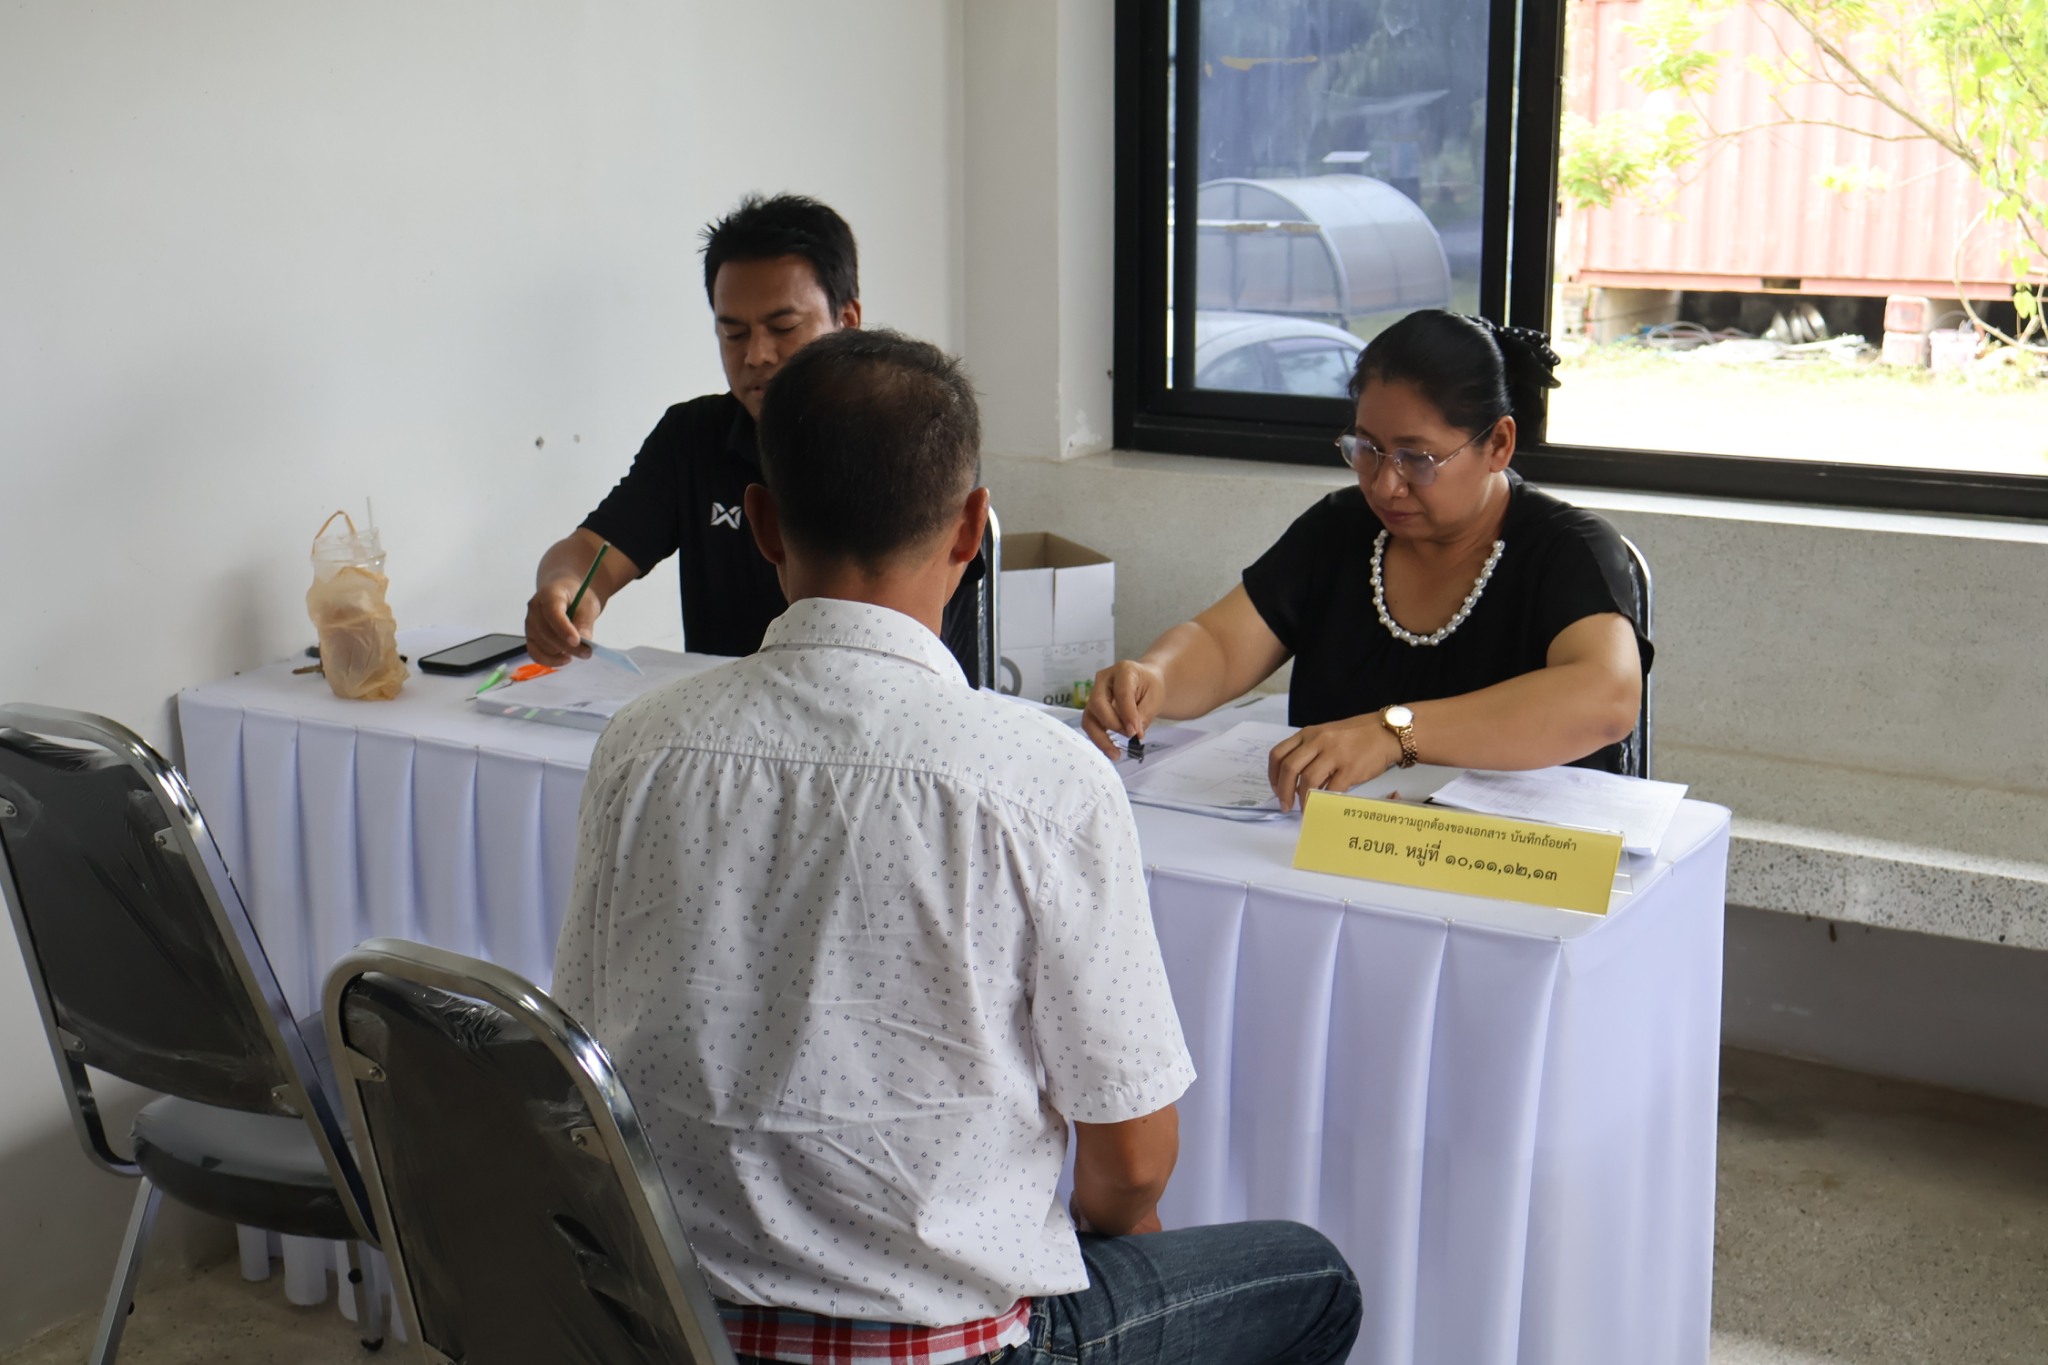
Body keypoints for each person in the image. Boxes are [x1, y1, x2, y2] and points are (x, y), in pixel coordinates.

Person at [552, 328, 1362, 1365]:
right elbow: (1131, 1167)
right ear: (973, 527)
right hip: (952, 1346)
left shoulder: (639, 745)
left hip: (678, 1331)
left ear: (761, 522)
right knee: (1314, 1281)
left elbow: (585, 1067)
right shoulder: (1044, 777)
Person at [1083, 309, 1650, 809]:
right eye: (1368, 450)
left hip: (1509, 858)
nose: (1385, 485)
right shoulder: (1341, 529)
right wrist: (1156, 676)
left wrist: (1393, 733)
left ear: (1498, 444)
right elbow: (1223, 644)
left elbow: (1605, 697)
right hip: (1336, 847)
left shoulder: (1566, 548)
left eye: (1417, 459)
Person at [523, 192, 986, 679]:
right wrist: (563, 588)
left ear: (847, 321)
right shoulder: (693, 437)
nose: (757, 355)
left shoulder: (913, 435)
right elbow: (593, 551)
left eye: (783, 327)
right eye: (734, 334)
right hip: (730, 716)